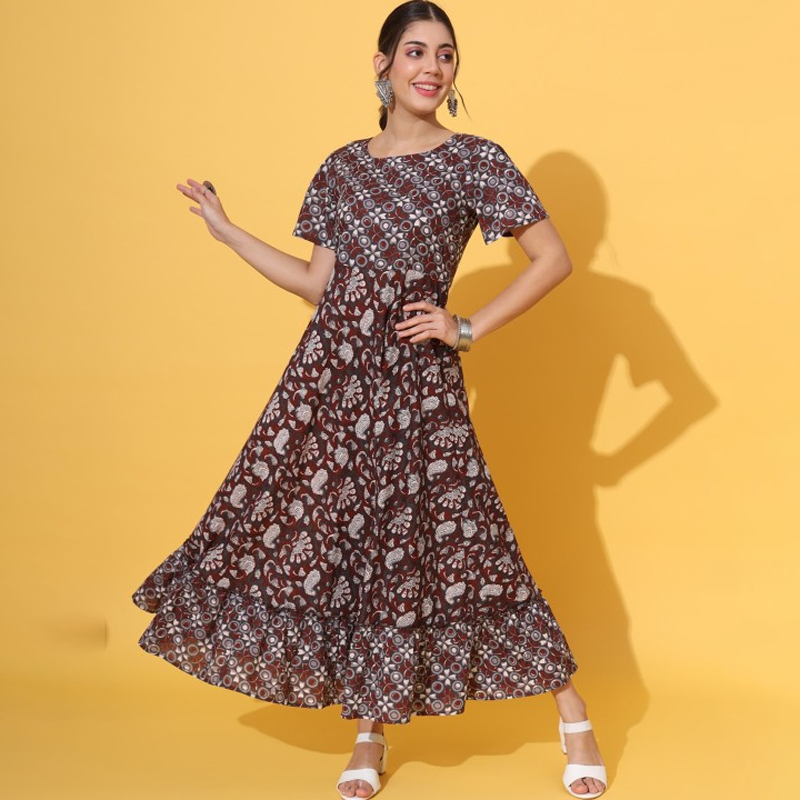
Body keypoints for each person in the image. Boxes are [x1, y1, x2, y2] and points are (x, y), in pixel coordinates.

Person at [131, 2, 608, 798]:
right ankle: (367, 731)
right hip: (329, 384)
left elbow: (552, 258)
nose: (433, 67)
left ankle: (574, 712)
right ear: (382, 64)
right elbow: (317, 283)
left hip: (418, 386)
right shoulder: (342, 167)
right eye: (416, 51)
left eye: (446, 54)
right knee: (348, 553)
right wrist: (229, 231)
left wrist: (465, 327)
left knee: (474, 547)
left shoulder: (474, 160)